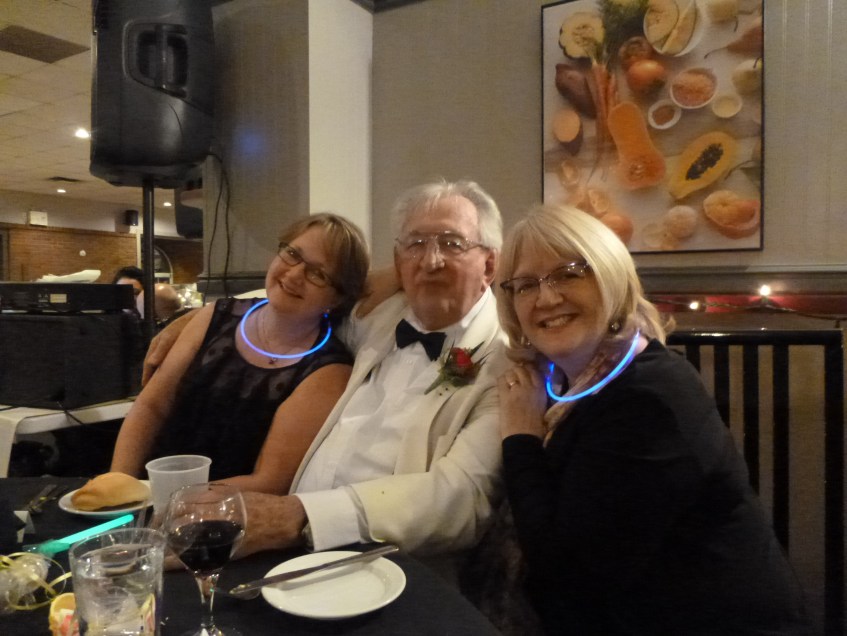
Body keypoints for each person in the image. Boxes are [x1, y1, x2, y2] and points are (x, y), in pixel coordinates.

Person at [145, 180, 508, 570]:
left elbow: (463, 498)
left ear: (489, 265)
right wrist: (207, 316)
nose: (430, 261)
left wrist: (298, 516)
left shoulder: (506, 362)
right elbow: (306, 293)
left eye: (452, 244)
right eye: (415, 243)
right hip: (286, 552)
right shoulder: (380, 316)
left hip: (387, 565)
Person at [491, 204, 808, 634]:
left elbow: (568, 577)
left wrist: (520, 440)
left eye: (568, 273)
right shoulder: (562, 382)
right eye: (526, 284)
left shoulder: (647, 399)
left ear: (610, 277)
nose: (546, 298)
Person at [110, 213, 370, 494]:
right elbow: (151, 407)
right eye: (293, 254)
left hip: (226, 511)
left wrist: (171, 498)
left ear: (337, 298)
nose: (295, 275)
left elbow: (269, 481)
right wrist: (118, 487)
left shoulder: (329, 372)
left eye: (318, 273)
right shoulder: (213, 316)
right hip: (147, 494)